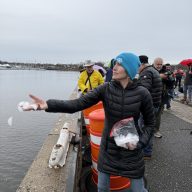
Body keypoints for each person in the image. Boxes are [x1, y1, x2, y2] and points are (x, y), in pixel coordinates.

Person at [23, 52, 155, 192]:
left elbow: (150, 124)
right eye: (114, 63)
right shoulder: (106, 89)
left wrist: (140, 144)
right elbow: (77, 104)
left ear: (129, 70)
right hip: (108, 150)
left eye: (119, 64)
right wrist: (47, 105)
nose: (114, 67)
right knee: (102, 188)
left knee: (138, 190)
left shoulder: (143, 93)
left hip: (132, 151)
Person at [138, 55, 162, 159]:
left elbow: (144, 90)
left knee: (145, 129)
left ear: (142, 64)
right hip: (155, 103)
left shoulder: (146, 72)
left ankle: (146, 152)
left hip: (149, 106)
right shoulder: (153, 70)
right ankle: (146, 150)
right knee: (149, 128)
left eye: (137, 65)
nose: (137, 68)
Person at [152, 57, 164, 138]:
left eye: (161, 64)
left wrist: (170, 78)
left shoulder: (165, 71)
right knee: (148, 115)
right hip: (151, 97)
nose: (159, 66)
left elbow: (171, 84)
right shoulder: (150, 71)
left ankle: (156, 130)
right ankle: (146, 130)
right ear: (154, 63)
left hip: (162, 97)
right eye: (158, 64)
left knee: (158, 115)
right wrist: (159, 76)